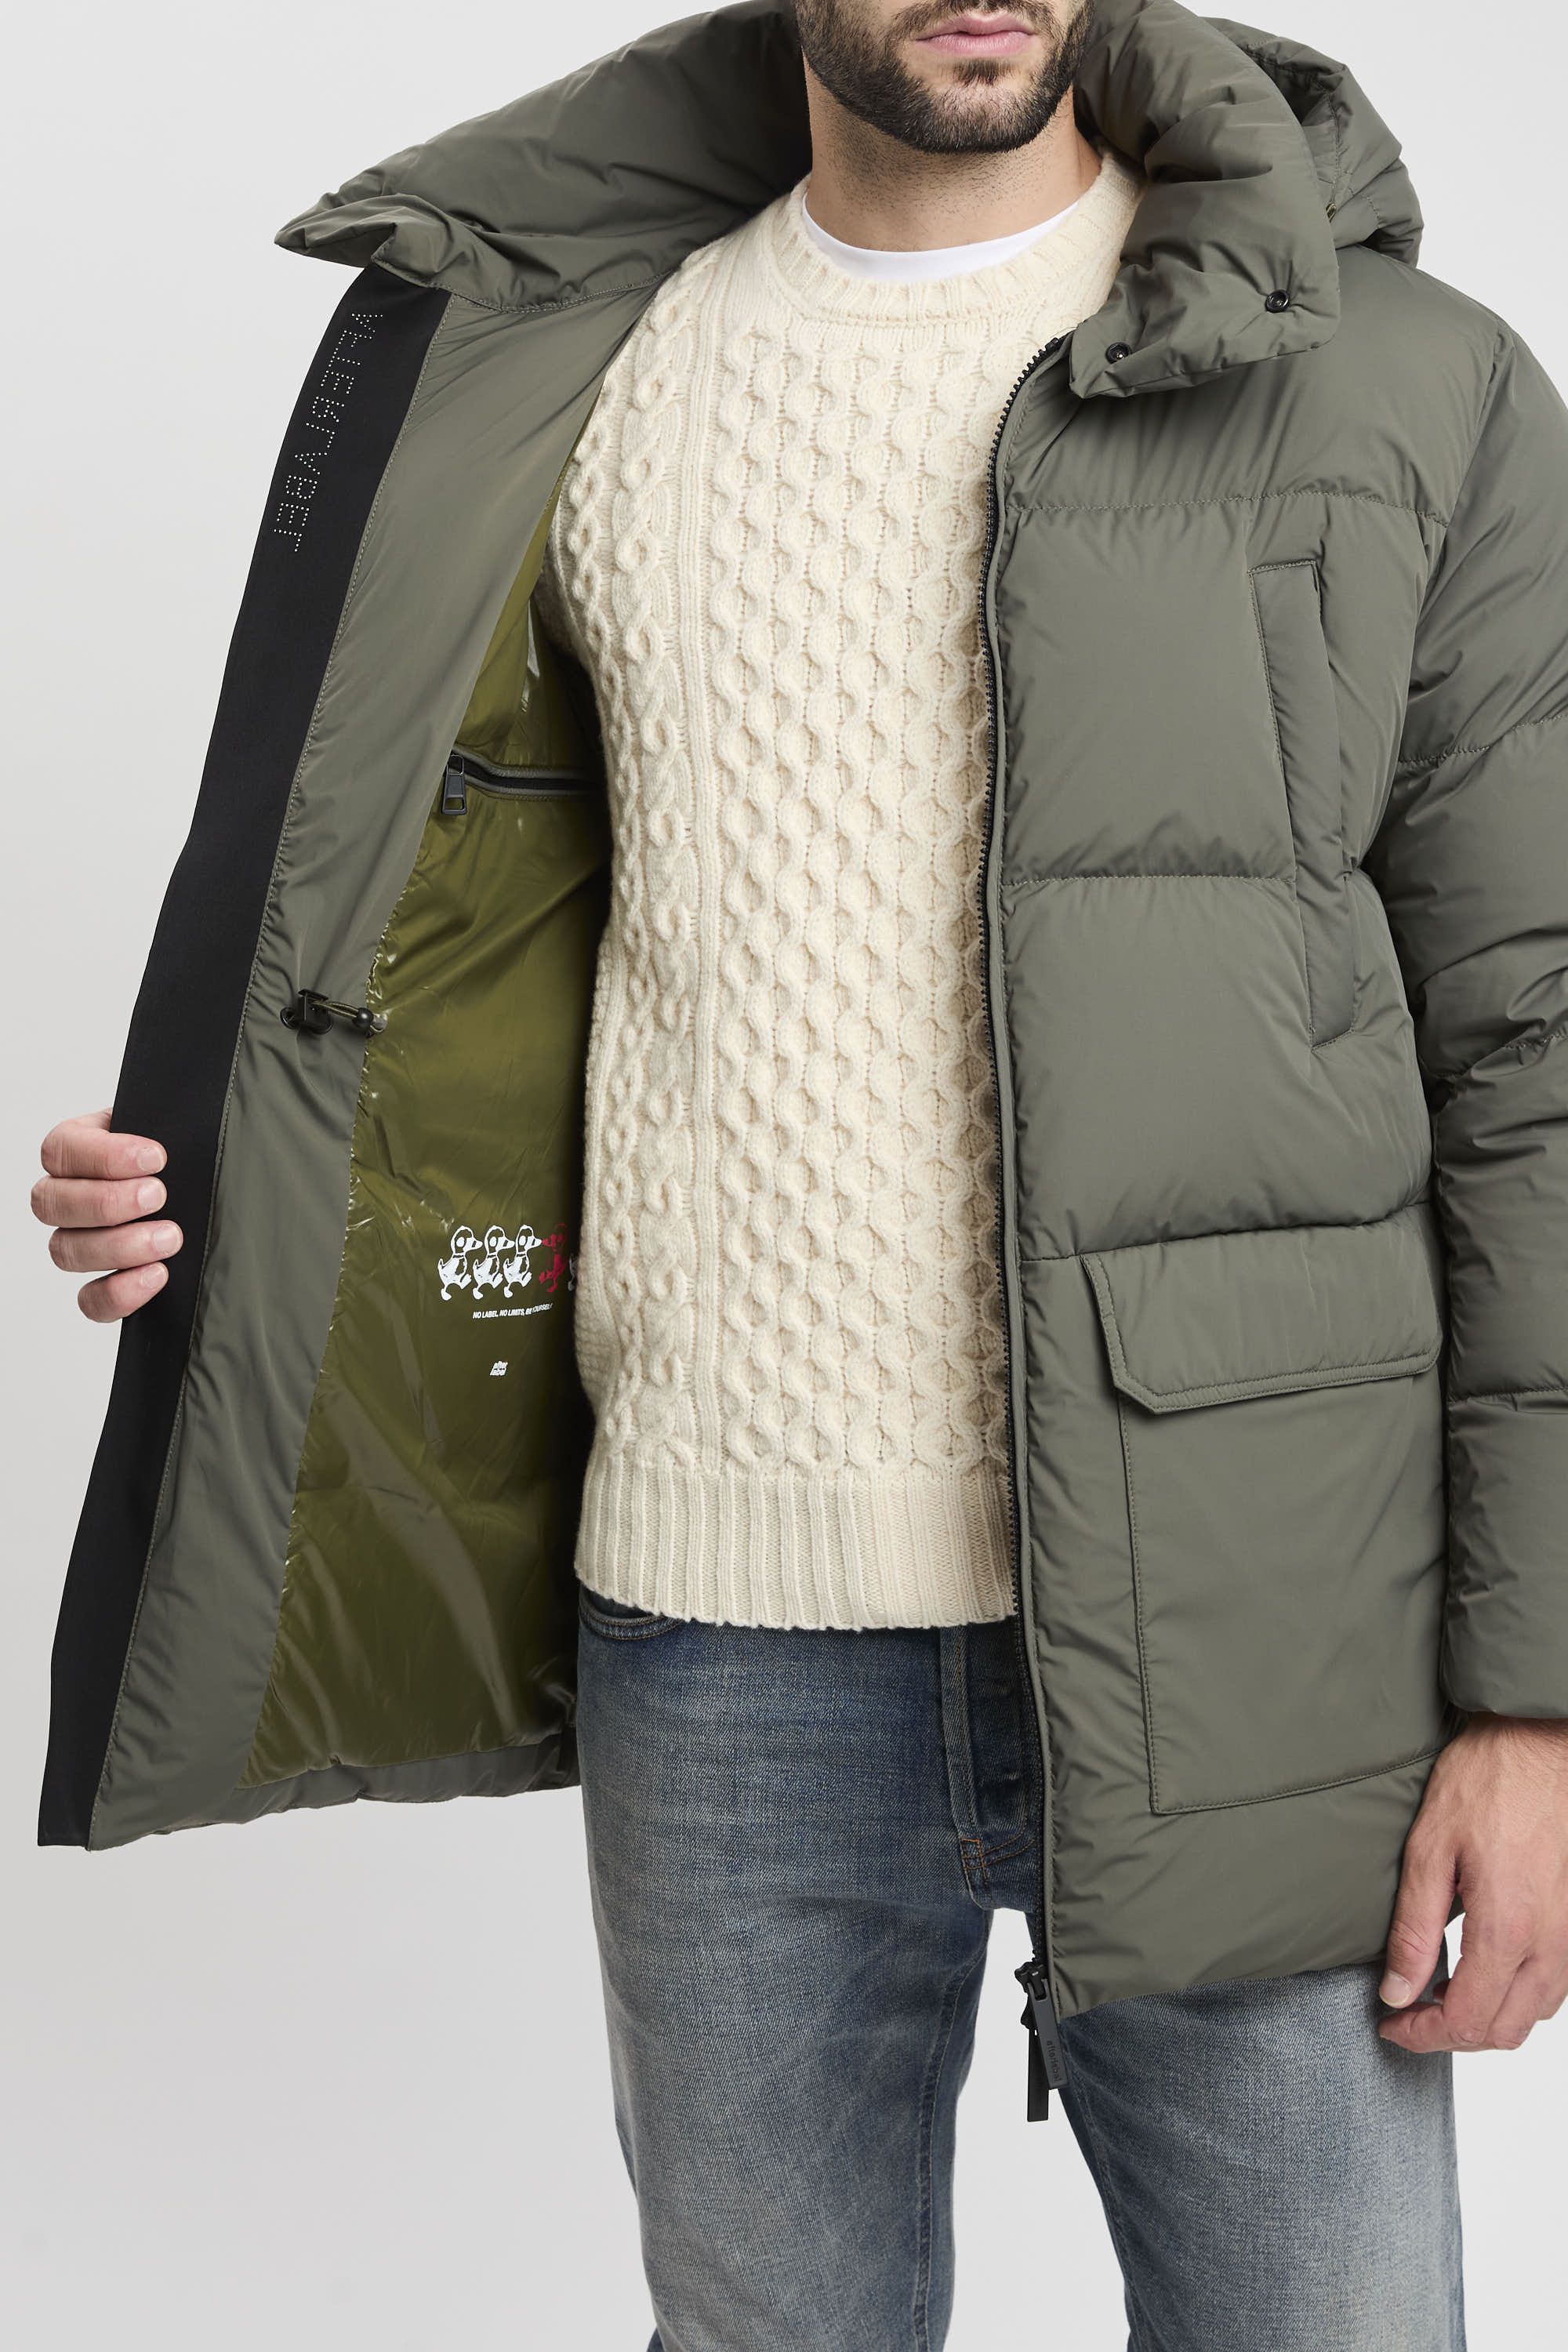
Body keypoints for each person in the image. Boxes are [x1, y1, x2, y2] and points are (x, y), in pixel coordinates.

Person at [30, 3, 1568, 2345]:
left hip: (1267, 1635)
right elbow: (429, 960)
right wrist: (226, 1191)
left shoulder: (1404, 387)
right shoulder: (552, 368)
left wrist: (1537, 1702)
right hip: (719, 1635)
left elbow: (1534, 1049)